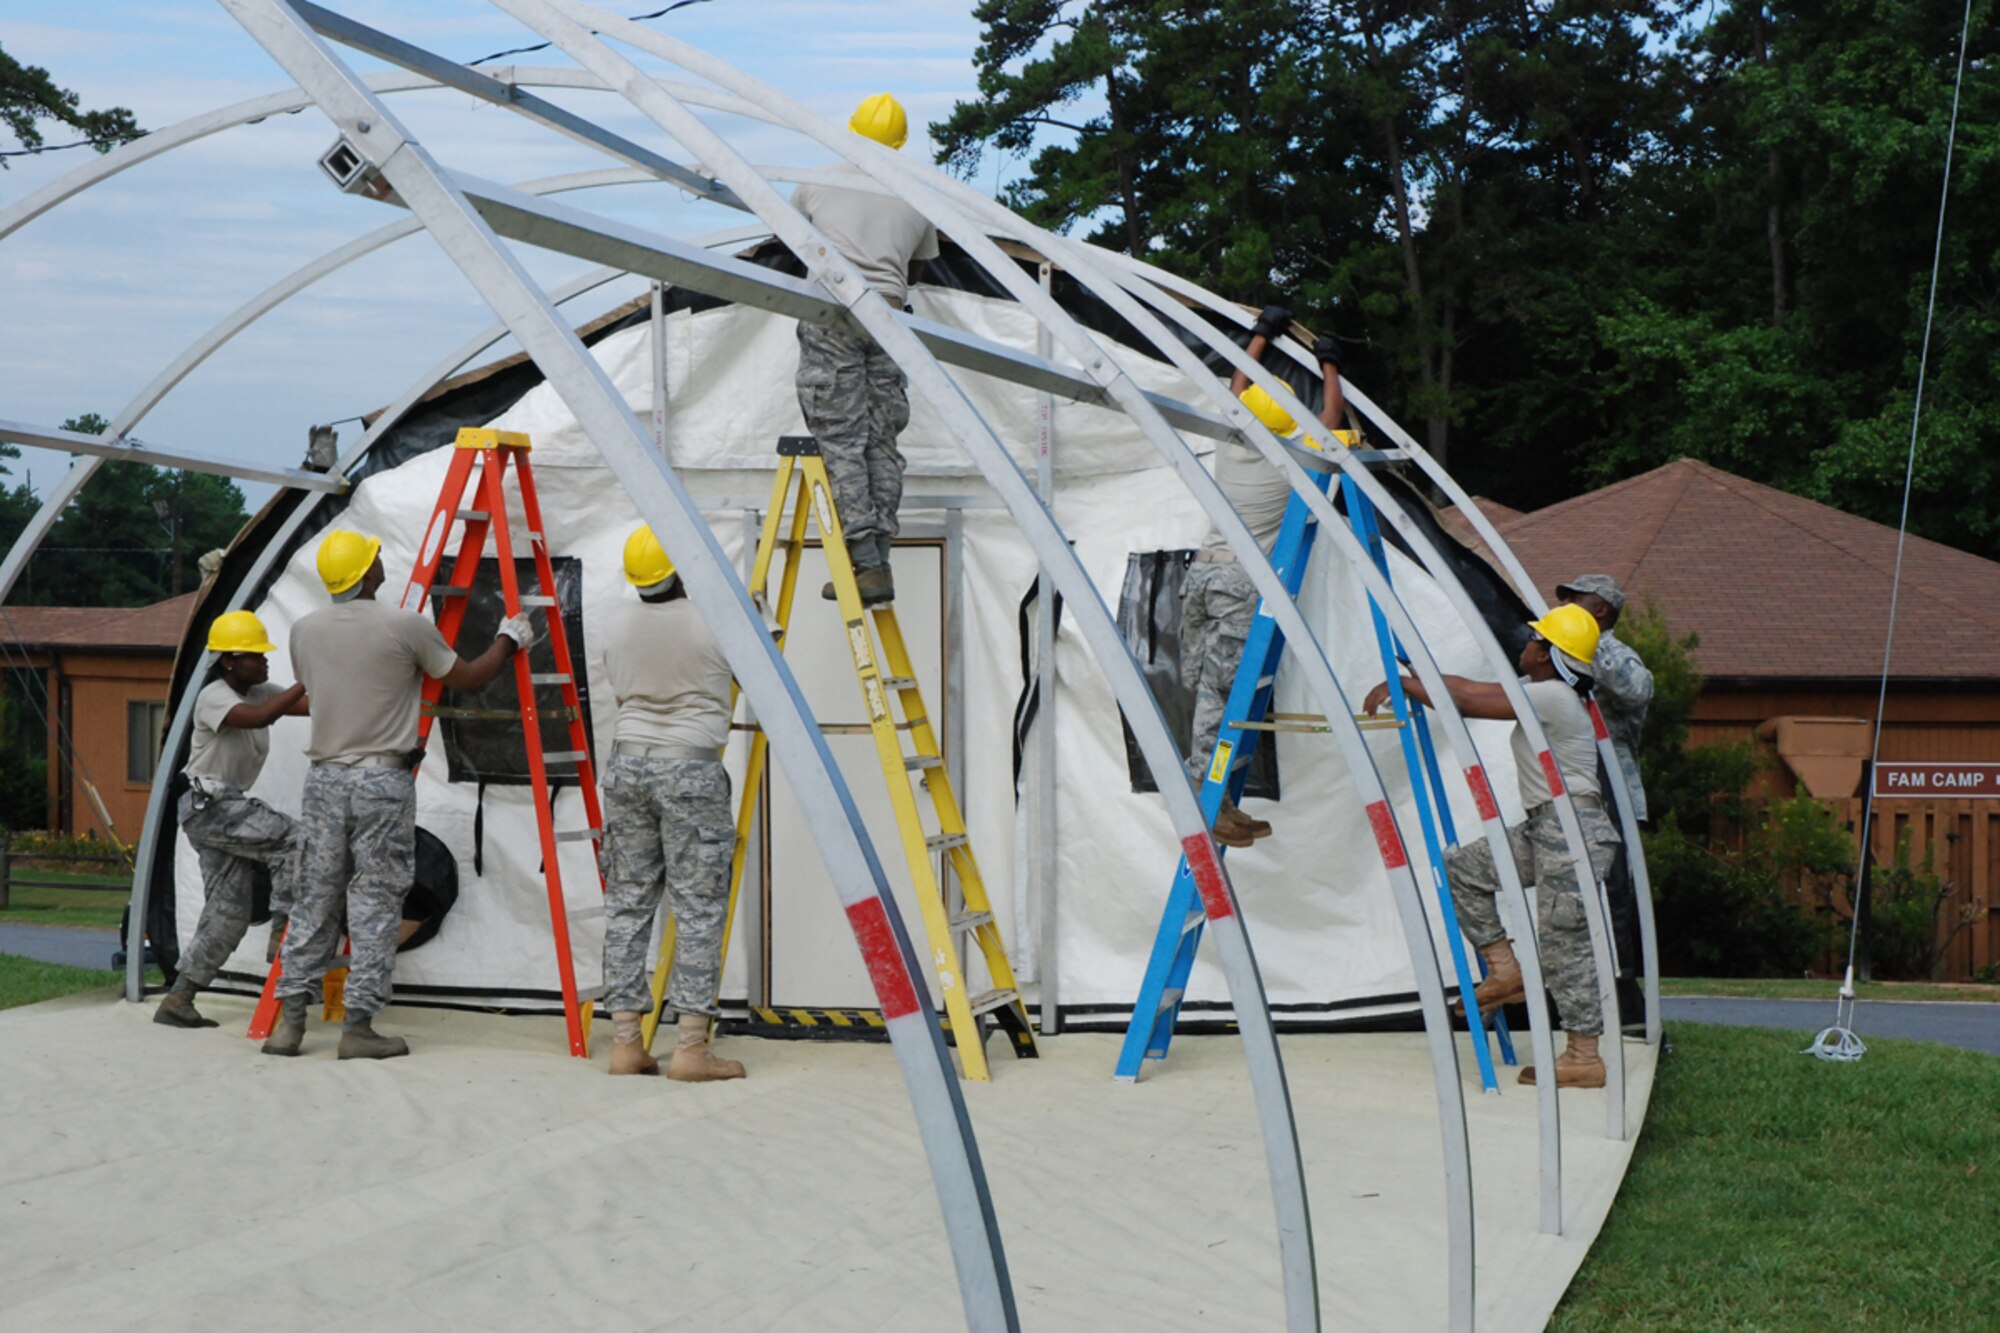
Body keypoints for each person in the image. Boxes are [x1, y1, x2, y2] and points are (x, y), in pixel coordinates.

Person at [261, 530, 532, 1060]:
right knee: (376, 902)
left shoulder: (304, 631)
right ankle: (357, 1028)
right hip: (381, 782)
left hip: (324, 781)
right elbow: (470, 678)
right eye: (376, 559)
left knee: (313, 898)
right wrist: (509, 638)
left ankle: (288, 1024)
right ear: (365, 574)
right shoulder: (406, 626)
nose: (383, 562)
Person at [1363, 602, 1620, 1088]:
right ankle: (1506, 971)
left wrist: (1405, 686)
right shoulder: (1543, 691)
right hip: (1549, 828)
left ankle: (1584, 1056)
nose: (1525, 645)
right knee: (1464, 870)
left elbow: (1466, 703)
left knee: (1566, 944)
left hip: (1573, 832)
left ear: (1547, 656)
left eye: (1534, 640)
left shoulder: (1553, 698)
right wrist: (1419, 675)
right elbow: (1467, 689)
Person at [1182, 305, 1348, 846]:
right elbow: (1331, 420)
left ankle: (1220, 798)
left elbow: (1237, 381)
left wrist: (1260, 335)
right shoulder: (1291, 456)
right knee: (1219, 699)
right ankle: (1211, 802)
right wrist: (1329, 365)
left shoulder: (1233, 438)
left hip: (1201, 577)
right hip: (1236, 587)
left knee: (1203, 688)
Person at [597, 526, 745, 1081]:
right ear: (678, 568)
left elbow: (618, 686)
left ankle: (626, 1043)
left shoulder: (613, 620)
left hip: (628, 763)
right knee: (698, 908)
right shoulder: (716, 616)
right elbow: (762, 668)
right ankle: (690, 1049)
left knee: (628, 903)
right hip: (691, 765)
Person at [792, 92, 941, 608]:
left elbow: (797, 242)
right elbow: (917, 270)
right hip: (890, 319)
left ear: (851, 132)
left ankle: (862, 558)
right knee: (881, 438)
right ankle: (878, 556)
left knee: (841, 435)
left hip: (832, 315)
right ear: (899, 143)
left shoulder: (818, 181)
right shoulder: (916, 193)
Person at [152, 610, 309, 1029]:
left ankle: (179, 998)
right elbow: (260, 718)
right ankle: (283, 931)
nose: (264, 662)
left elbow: (305, 705)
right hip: (212, 806)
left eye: (263, 655)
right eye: (254, 656)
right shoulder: (215, 696)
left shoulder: (259, 691)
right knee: (296, 839)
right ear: (228, 661)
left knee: (228, 914)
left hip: (217, 812)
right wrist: (305, 680)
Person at [1555, 574, 1653, 823]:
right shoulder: (1558, 651)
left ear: (1600, 609)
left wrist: (1590, 647)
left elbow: (1638, 691)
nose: (1564, 605)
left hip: (1610, 791)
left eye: (1576, 599)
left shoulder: (1615, 654)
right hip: (1568, 789)